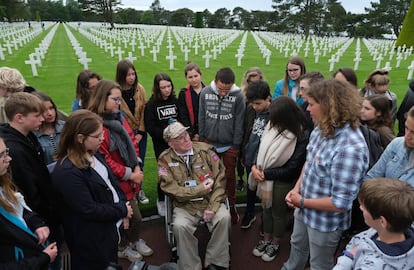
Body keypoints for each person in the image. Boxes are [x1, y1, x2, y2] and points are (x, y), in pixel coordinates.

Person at [283, 79, 369, 270]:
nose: (307, 109)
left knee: (319, 264)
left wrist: (302, 201)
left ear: (329, 107)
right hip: (303, 208)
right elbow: (310, 163)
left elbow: (341, 203)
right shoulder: (321, 129)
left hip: (325, 224)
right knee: (297, 247)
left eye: (312, 105)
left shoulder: (350, 148)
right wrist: (296, 190)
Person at [51, 109, 133, 270]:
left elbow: (112, 185)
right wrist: (121, 209)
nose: (102, 138)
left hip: (108, 231)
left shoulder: (95, 155)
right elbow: (88, 209)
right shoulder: (67, 172)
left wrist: (124, 206)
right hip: (90, 240)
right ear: (80, 138)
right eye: (97, 136)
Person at [88, 79, 153, 262]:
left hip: (130, 174)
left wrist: (137, 165)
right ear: (102, 99)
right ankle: (122, 246)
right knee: (128, 216)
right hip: (114, 180)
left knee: (132, 216)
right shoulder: (95, 125)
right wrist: (130, 173)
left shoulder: (119, 117)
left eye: (119, 99)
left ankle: (133, 241)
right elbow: (103, 158)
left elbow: (132, 141)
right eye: (115, 99)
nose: (119, 103)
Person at [158, 120, 231, 270]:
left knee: (224, 218)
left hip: (210, 201)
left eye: (186, 134)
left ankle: (216, 263)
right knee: (180, 226)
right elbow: (171, 189)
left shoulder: (206, 151)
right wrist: (200, 189)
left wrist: (213, 206)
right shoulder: (165, 160)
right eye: (180, 138)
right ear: (171, 144)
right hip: (185, 206)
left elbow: (220, 180)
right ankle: (191, 266)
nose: (186, 139)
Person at [250, 96, 308, 262]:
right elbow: (260, 148)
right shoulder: (272, 125)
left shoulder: (301, 134)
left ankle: (275, 242)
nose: (271, 119)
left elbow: (292, 168)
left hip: (282, 180)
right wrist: (254, 166)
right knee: (266, 209)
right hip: (265, 177)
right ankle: (266, 239)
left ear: (285, 116)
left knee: (278, 213)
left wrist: (265, 173)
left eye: (274, 116)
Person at [0, 92, 61, 247]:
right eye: (36, 115)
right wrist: (45, 218)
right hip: (40, 223)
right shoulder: (15, 151)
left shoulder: (28, 136)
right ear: (19, 117)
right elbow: (28, 190)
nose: (42, 119)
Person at [0, 136, 58, 270]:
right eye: (2, 155)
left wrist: (37, 223)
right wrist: (44, 259)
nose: (9, 158)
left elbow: (19, 208)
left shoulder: (4, 184)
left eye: (6, 152)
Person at [333, 178, 414, 270]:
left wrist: (348, 257)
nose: (360, 208)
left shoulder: (371, 266)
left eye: (365, 208)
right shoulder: (389, 227)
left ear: (382, 221)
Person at [199, 67, 246, 224]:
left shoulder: (238, 96)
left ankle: (231, 208)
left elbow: (239, 123)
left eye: (227, 90)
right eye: (220, 89)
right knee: (208, 178)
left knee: (229, 179)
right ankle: (210, 209)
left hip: (228, 147)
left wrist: (236, 146)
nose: (223, 93)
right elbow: (202, 117)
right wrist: (203, 140)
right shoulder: (205, 93)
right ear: (215, 81)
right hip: (209, 144)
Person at [144, 73, 179, 216]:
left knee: (179, 171)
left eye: (169, 86)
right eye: (163, 87)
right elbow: (150, 127)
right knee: (164, 173)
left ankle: (177, 197)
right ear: (157, 88)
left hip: (177, 142)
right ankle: (161, 199)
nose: (167, 89)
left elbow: (181, 117)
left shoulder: (175, 101)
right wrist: (166, 136)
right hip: (162, 144)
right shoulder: (151, 105)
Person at [115, 59, 149, 204]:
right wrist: (130, 136)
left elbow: (144, 111)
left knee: (140, 162)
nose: (132, 77)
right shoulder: (116, 92)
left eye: (133, 74)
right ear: (122, 75)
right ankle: (129, 192)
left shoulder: (139, 89)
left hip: (140, 133)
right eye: (128, 75)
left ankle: (139, 190)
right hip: (124, 134)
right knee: (126, 163)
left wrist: (140, 132)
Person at [240, 79, 271, 230]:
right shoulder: (255, 111)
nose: (254, 107)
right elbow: (251, 133)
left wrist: (255, 164)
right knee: (250, 189)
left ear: (268, 99)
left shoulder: (274, 115)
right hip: (250, 159)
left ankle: (266, 222)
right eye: (252, 103)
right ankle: (249, 213)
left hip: (263, 164)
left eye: (258, 103)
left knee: (266, 195)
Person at [365, 106, 414, 187]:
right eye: (406, 128)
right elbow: (371, 177)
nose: (407, 136)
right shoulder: (397, 144)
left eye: (413, 132)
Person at [237, 67, 265, 193]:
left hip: (256, 130)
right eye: (251, 82)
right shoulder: (242, 96)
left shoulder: (263, 97)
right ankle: (240, 178)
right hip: (243, 128)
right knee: (241, 156)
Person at [32, 92, 65, 166]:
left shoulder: (65, 127)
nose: (50, 113)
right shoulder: (32, 135)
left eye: (51, 108)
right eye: (44, 110)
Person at [177, 62, 206, 141]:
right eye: (190, 77)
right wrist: (192, 133)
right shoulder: (184, 93)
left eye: (196, 76)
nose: (194, 80)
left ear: (200, 75)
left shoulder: (208, 92)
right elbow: (183, 115)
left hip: (206, 132)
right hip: (190, 133)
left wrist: (201, 133)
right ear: (186, 78)